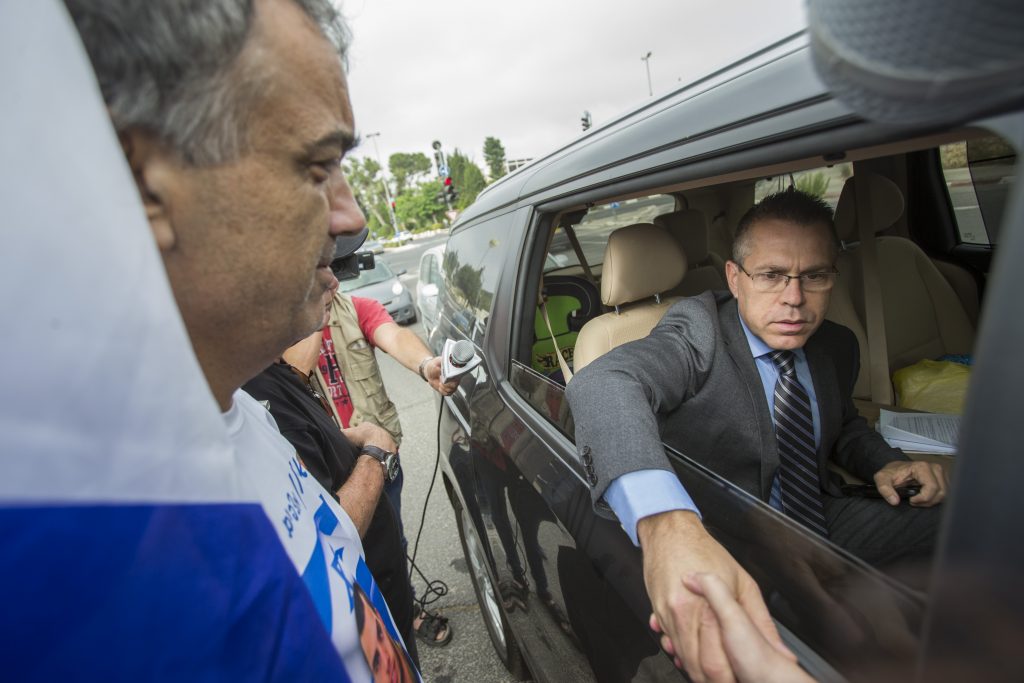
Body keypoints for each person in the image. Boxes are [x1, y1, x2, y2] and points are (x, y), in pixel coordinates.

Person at [51, 0, 419, 678]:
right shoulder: (96, 575)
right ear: (140, 183)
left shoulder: (239, 410)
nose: (351, 214)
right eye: (317, 167)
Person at [566, 190, 948, 683]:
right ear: (734, 278)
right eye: (770, 276)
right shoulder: (698, 331)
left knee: (968, 525)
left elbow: (843, 423)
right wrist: (668, 527)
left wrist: (885, 463)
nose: (794, 298)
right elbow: (603, 382)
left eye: (814, 276)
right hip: (729, 536)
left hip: (820, 513)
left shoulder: (834, 342)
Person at [243, 320, 421, 666]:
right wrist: (376, 454)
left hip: (378, 597)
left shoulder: (278, 373)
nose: (331, 280)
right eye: (315, 268)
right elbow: (329, 527)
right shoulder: (259, 393)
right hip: (362, 615)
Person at [312, 284, 458, 646]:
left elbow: (393, 336)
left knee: (392, 544)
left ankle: (404, 611)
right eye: (320, 263)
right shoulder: (282, 331)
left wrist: (427, 365)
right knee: (336, 560)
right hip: (321, 472)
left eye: (335, 265)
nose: (331, 277)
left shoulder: (357, 309)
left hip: (377, 462)